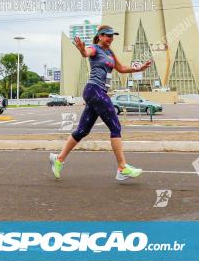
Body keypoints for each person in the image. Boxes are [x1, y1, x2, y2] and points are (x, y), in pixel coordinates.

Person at [50, 25, 152, 181]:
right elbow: (86, 53)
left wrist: (139, 69)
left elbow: (121, 68)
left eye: (112, 36)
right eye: (108, 36)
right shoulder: (95, 48)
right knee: (116, 126)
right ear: (100, 36)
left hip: (97, 92)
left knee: (82, 131)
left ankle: (58, 159)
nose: (111, 39)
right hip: (94, 90)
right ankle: (122, 168)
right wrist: (81, 50)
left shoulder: (110, 52)